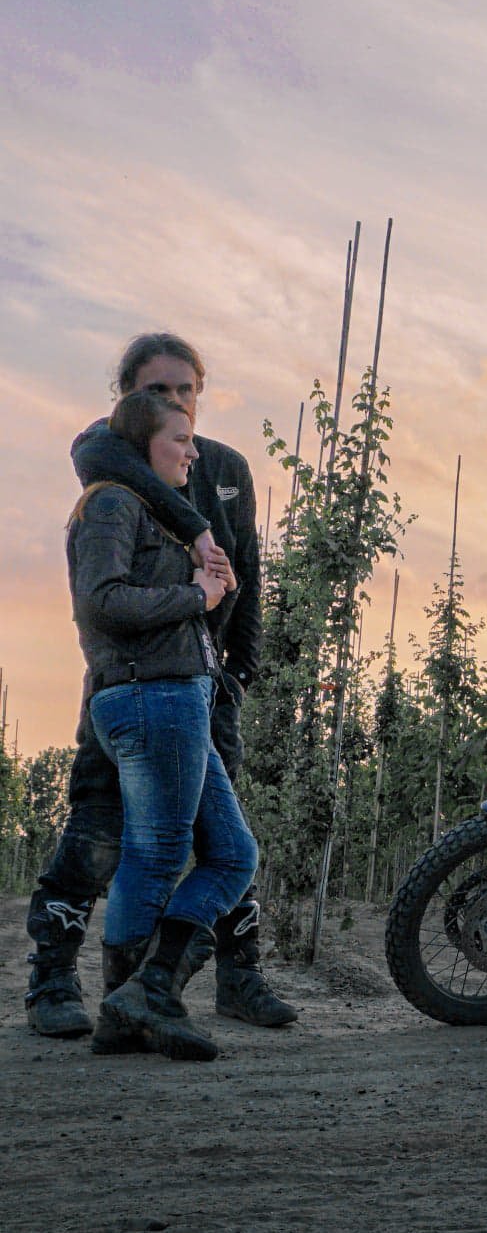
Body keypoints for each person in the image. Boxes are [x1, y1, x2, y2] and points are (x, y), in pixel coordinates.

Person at [25, 332, 297, 1039]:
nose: (176, 400)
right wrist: (195, 551)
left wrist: (239, 672)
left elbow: (248, 573)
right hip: (133, 677)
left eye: (186, 389)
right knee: (100, 821)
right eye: (157, 389)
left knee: (222, 834)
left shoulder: (222, 466)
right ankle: (54, 975)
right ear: (127, 398)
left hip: (204, 678)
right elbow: (109, 590)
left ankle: (235, 976)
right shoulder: (110, 455)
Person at [67, 390, 259, 1059]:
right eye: (181, 438)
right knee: (157, 855)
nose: (194, 452)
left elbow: (180, 612)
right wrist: (194, 593)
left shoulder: (150, 511)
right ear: (142, 444)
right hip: (152, 695)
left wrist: (216, 588)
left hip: (179, 696)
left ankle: (140, 996)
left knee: (232, 853)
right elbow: (102, 602)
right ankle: (139, 1000)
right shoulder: (111, 505)